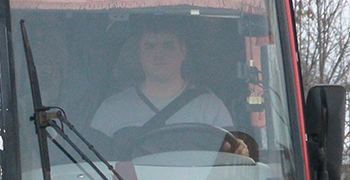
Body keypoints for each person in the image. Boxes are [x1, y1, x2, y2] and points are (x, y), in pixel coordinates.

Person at [89, 24, 238, 156]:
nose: (158, 54)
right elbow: (94, 170)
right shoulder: (112, 110)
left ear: (183, 51)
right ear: (139, 54)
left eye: (167, 45)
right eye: (150, 47)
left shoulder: (210, 109)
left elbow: (230, 168)